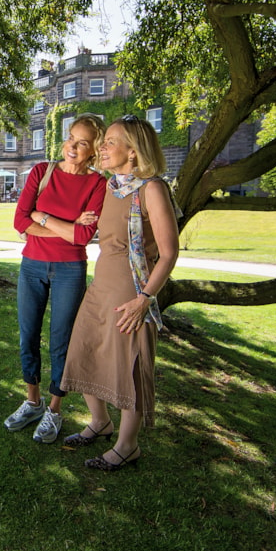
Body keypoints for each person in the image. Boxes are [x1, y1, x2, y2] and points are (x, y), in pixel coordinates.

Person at [60, 115, 179, 470]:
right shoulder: (111, 187)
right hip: (101, 287)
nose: (102, 148)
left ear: (133, 151)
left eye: (111, 141)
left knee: (129, 368)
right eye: (104, 141)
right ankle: (100, 421)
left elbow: (169, 253)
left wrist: (145, 299)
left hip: (131, 293)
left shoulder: (151, 189)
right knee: (83, 353)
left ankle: (128, 445)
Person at [4, 114, 108, 443]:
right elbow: (20, 221)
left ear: (93, 150)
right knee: (27, 336)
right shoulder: (41, 171)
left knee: (62, 341)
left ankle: (54, 410)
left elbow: (83, 237)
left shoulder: (97, 184)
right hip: (32, 264)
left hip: (70, 269)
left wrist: (43, 216)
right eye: (70, 138)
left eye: (82, 143)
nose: (72, 147)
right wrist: (67, 224)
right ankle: (32, 401)